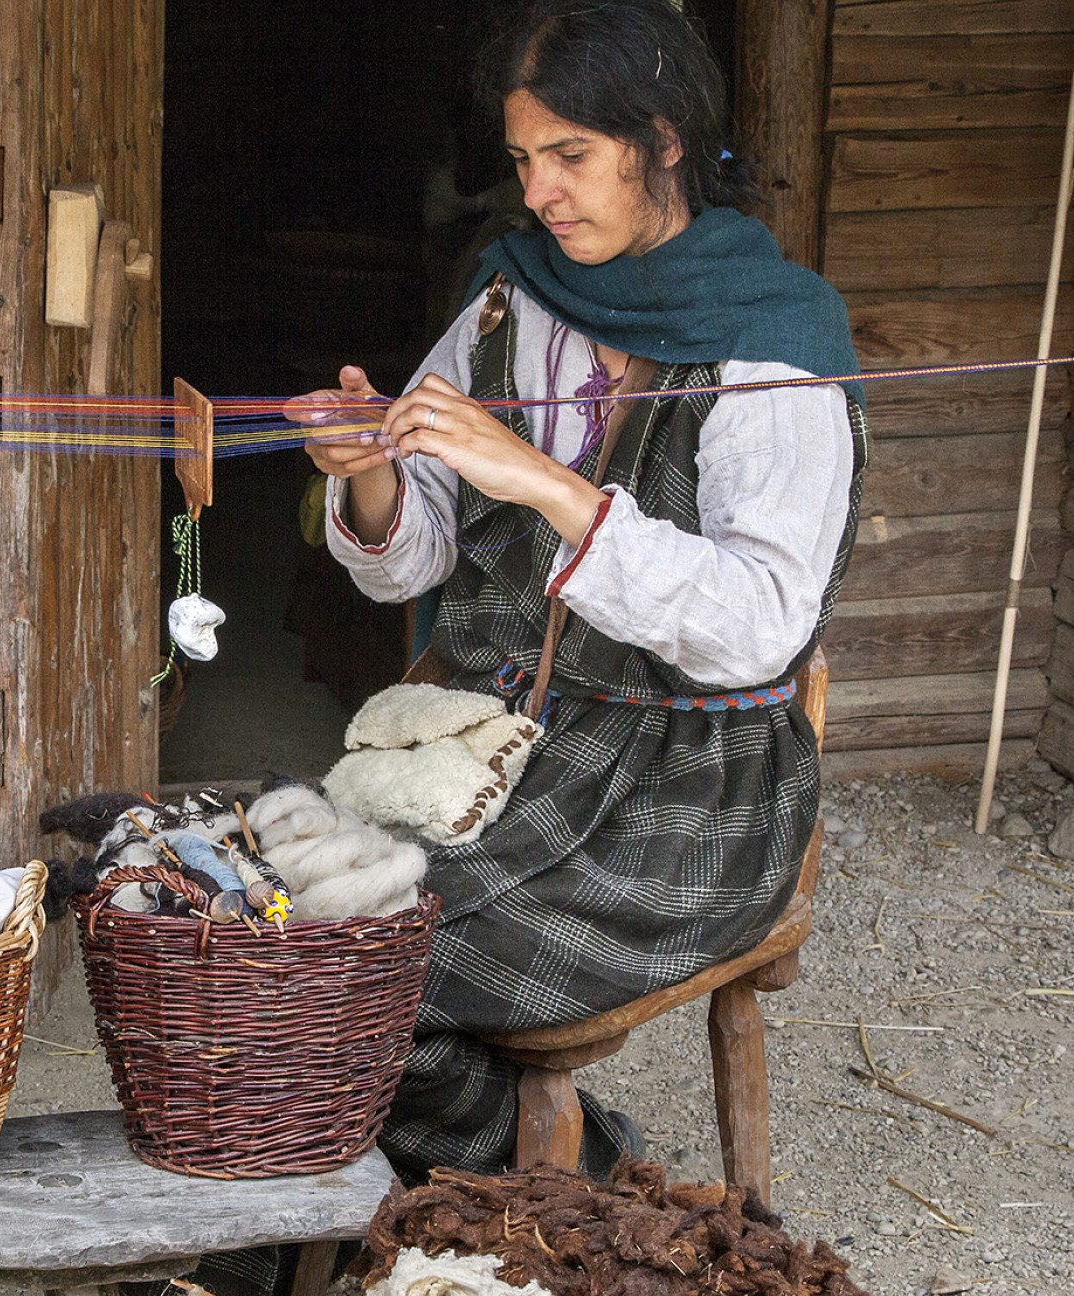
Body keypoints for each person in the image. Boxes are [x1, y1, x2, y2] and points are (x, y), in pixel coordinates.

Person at [296, 0, 865, 1180]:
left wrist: (549, 484)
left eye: (571, 156)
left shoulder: (770, 338)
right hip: (499, 743)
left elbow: (759, 626)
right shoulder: (507, 302)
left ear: (660, 140)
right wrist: (368, 482)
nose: (541, 194)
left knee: (369, 976)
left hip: (685, 782)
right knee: (263, 919)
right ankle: (503, 1194)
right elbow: (413, 558)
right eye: (522, 162)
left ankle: (582, 1197)